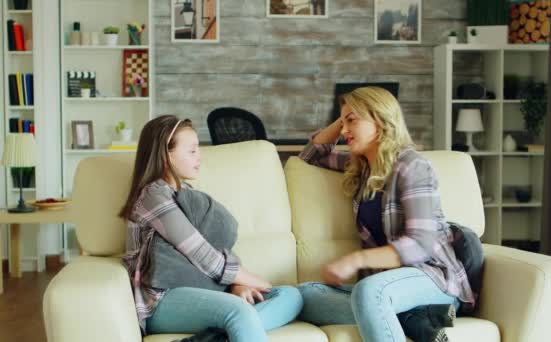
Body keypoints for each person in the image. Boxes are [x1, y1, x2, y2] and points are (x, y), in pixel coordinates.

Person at [296, 87, 475, 342]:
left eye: (352, 121)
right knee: (304, 296)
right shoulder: (360, 168)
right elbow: (311, 154)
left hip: (430, 278)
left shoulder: (413, 166)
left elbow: (421, 244)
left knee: (368, 294)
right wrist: (347, 113)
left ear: (379, 121)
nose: (344, 131)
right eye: (342, 122)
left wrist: (356, 260)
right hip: (386, 287)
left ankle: (411, 312)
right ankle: (414, 318)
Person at [119, 115, 303, 342]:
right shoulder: (153, 197)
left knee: (291, 295)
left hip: (205, 290)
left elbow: (214, 246)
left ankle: (214, 338)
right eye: (192, 151)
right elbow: (203, 255)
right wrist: (255, 281)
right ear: (166, 156)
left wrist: (236, 284)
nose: (200, 156)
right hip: (161, 300)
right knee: (240, 311)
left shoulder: (185, 193)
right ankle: (236, 327)